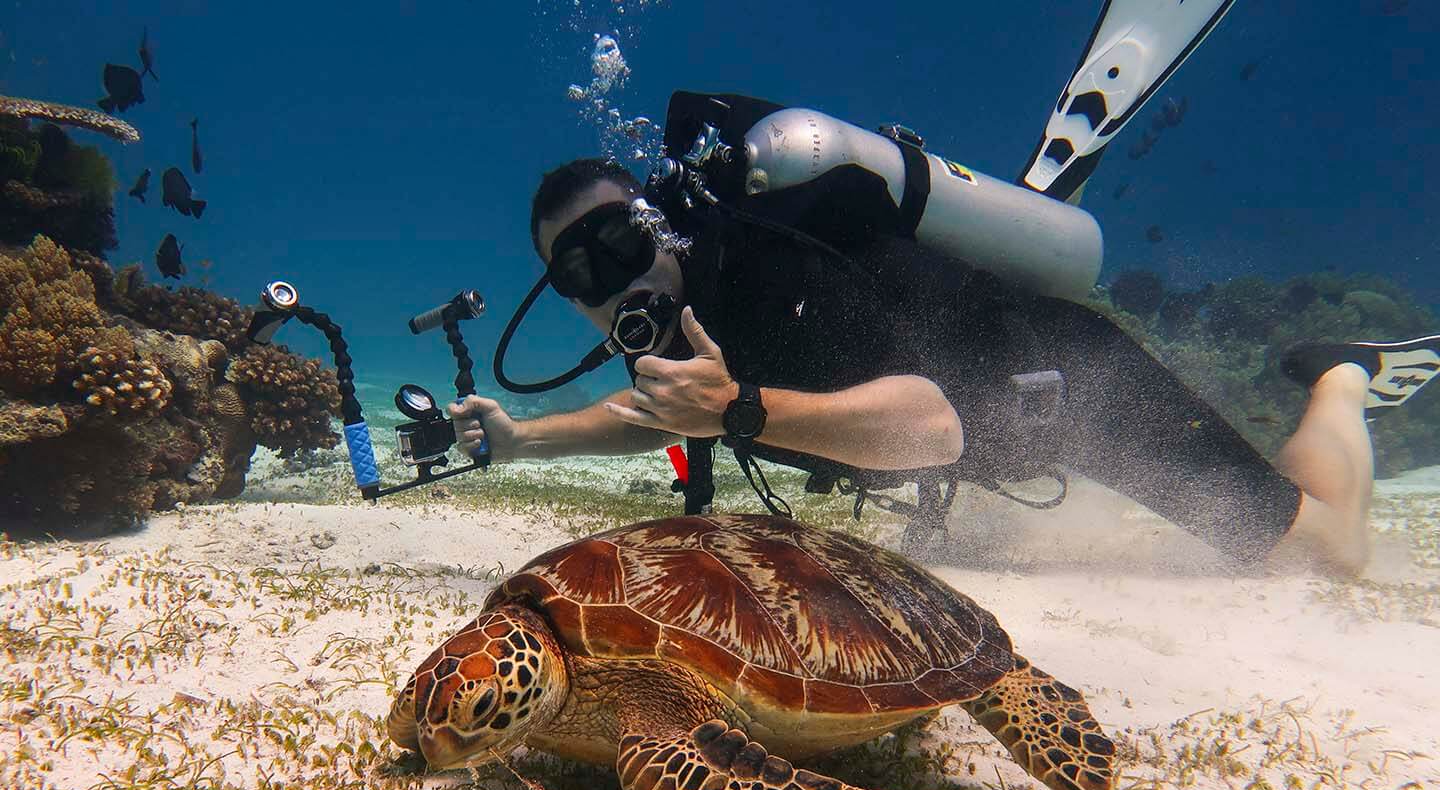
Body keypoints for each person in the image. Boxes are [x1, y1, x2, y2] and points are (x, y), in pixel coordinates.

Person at [450, 156, 1438, 574]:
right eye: (574, 272)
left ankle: (1341, 381)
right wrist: (518, 439)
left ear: (661, 224)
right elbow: (659, 412)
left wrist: (740, 408)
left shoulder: (766, 268)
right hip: (997, 445)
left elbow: (933, 423)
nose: (608, 282)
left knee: (1323, 549)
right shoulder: (687, 329)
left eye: (618, 244)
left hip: (1061, 389)